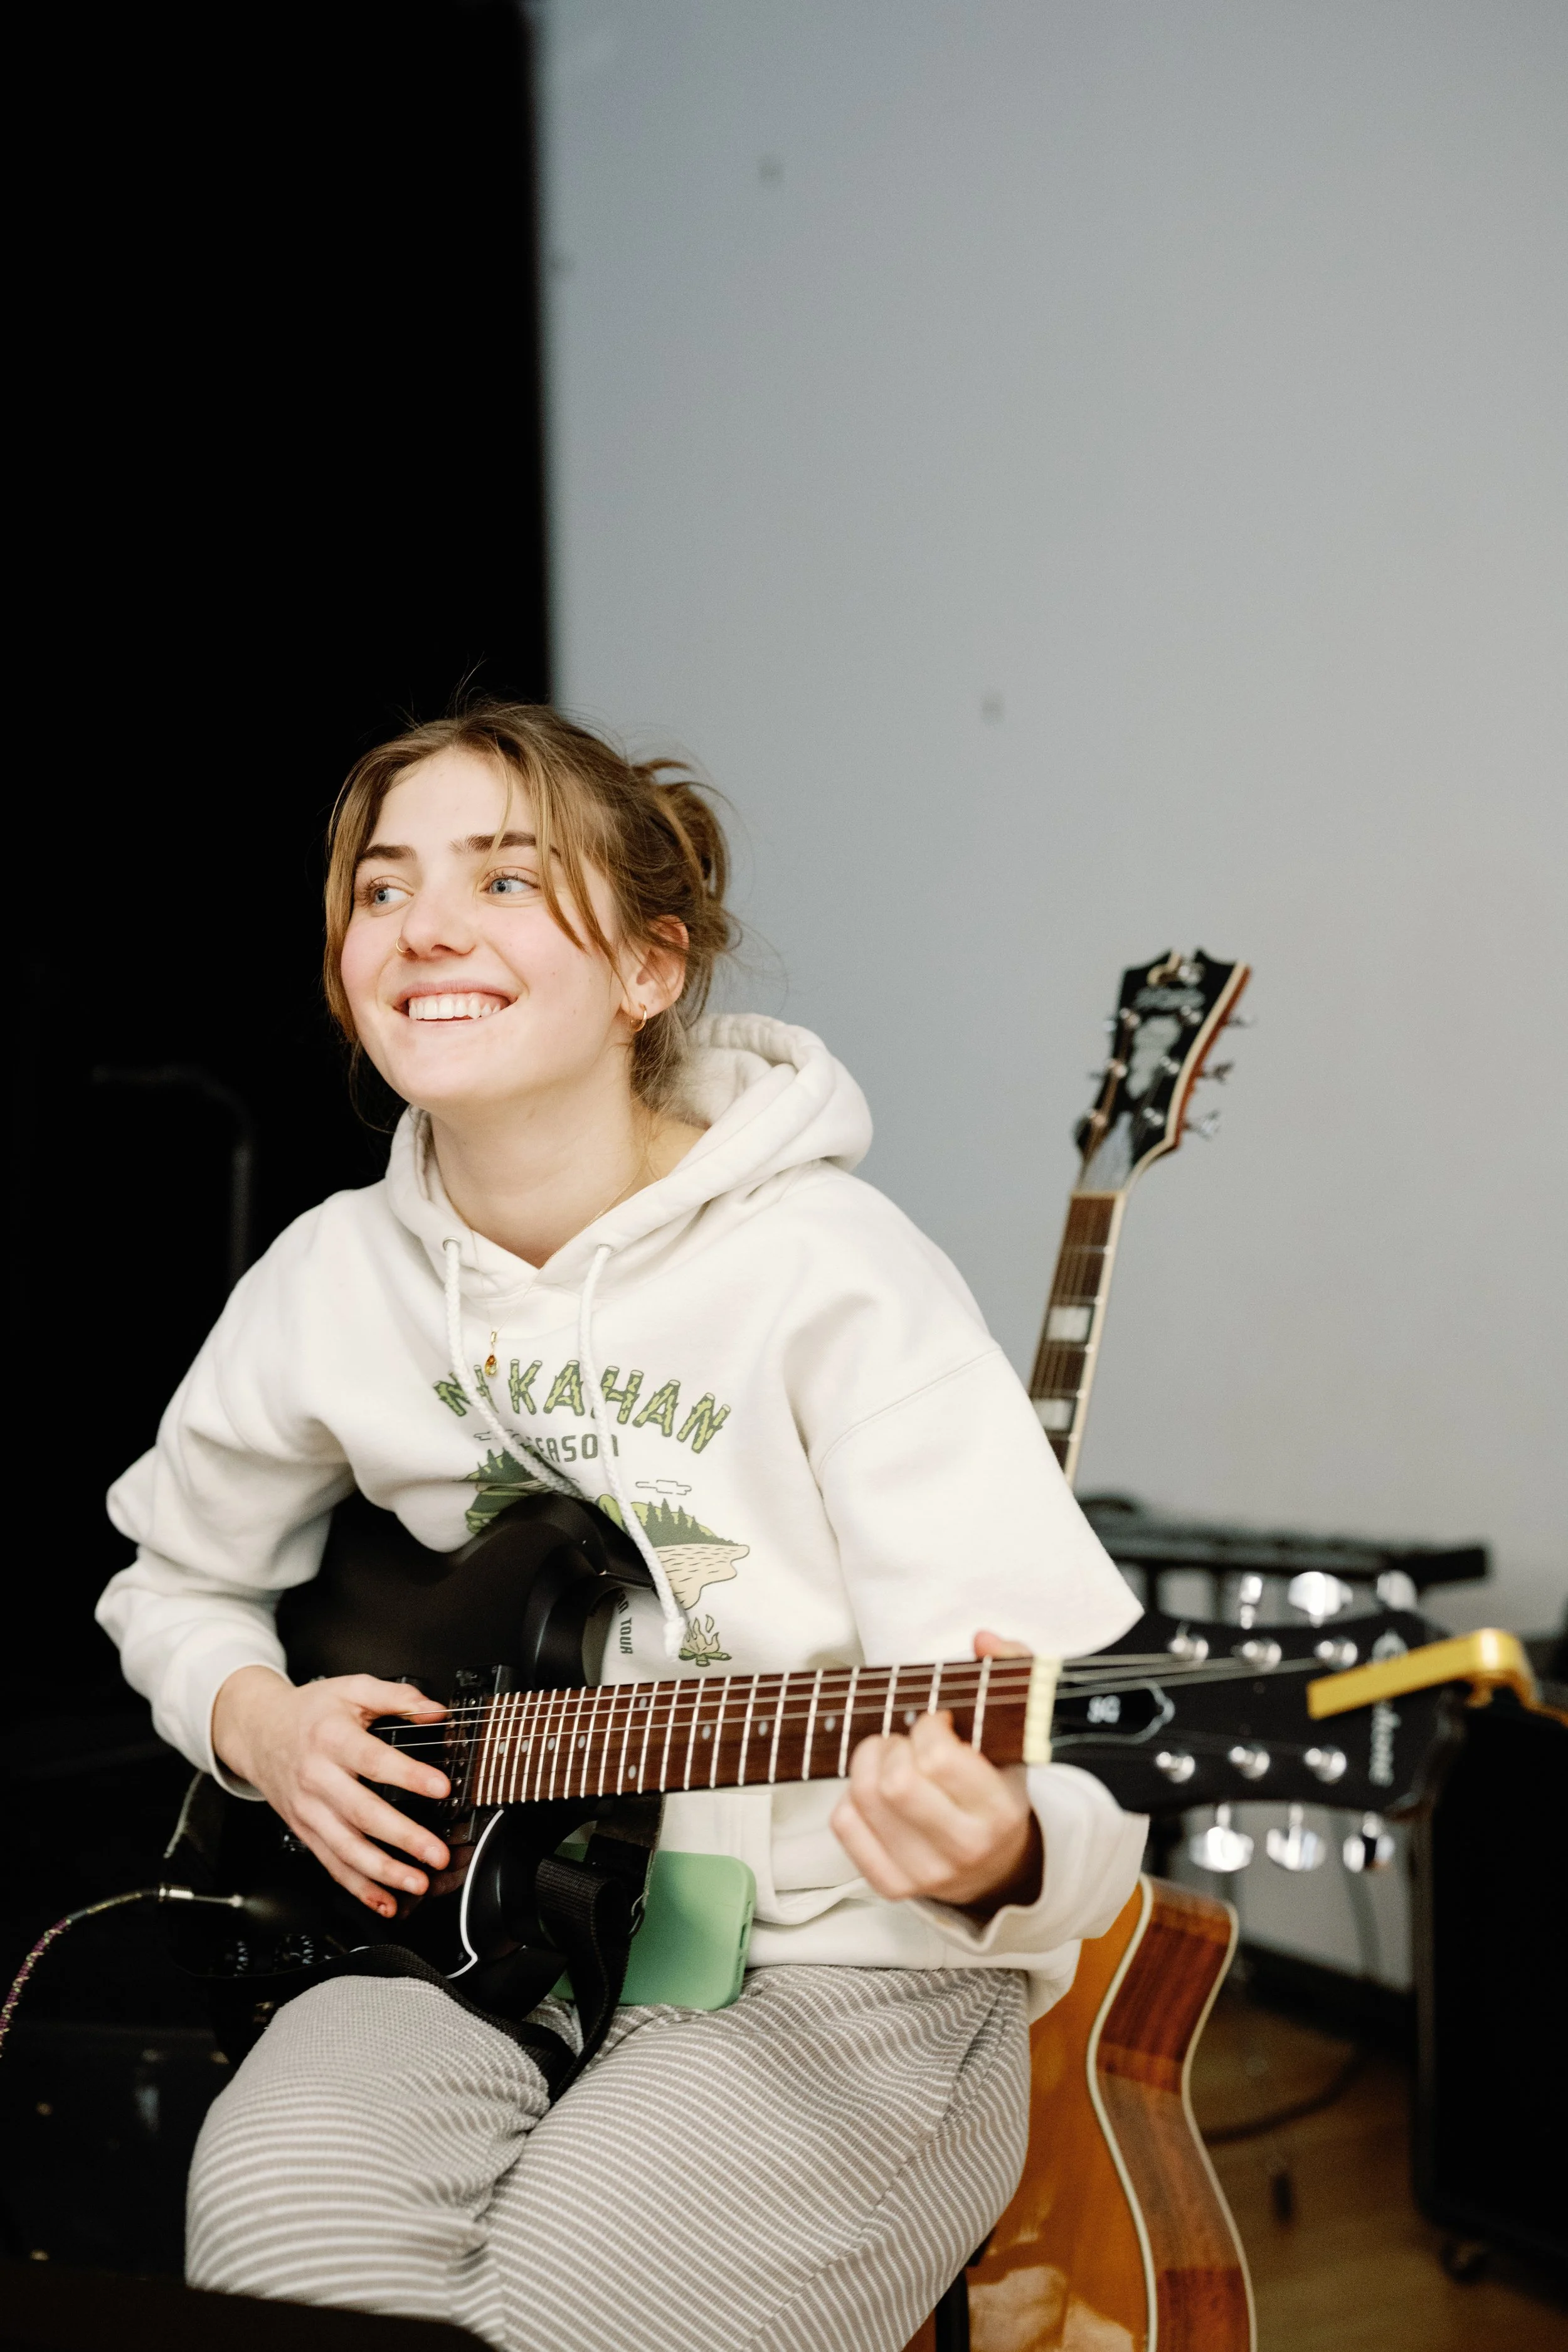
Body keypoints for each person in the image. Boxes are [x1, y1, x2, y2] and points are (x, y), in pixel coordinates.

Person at [99, 702, 1145, 2352]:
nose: (425, 924)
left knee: (587, 2308)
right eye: (382, 890)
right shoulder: (324, 1279)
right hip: (466, 1932)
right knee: (281, 2234)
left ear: (648, 972)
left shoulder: (832, 1270)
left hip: (833, 1964)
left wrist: (1001, 1847)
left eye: (506, 882)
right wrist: (260, 1721)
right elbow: (176, 1579)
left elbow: (1074, 1740)